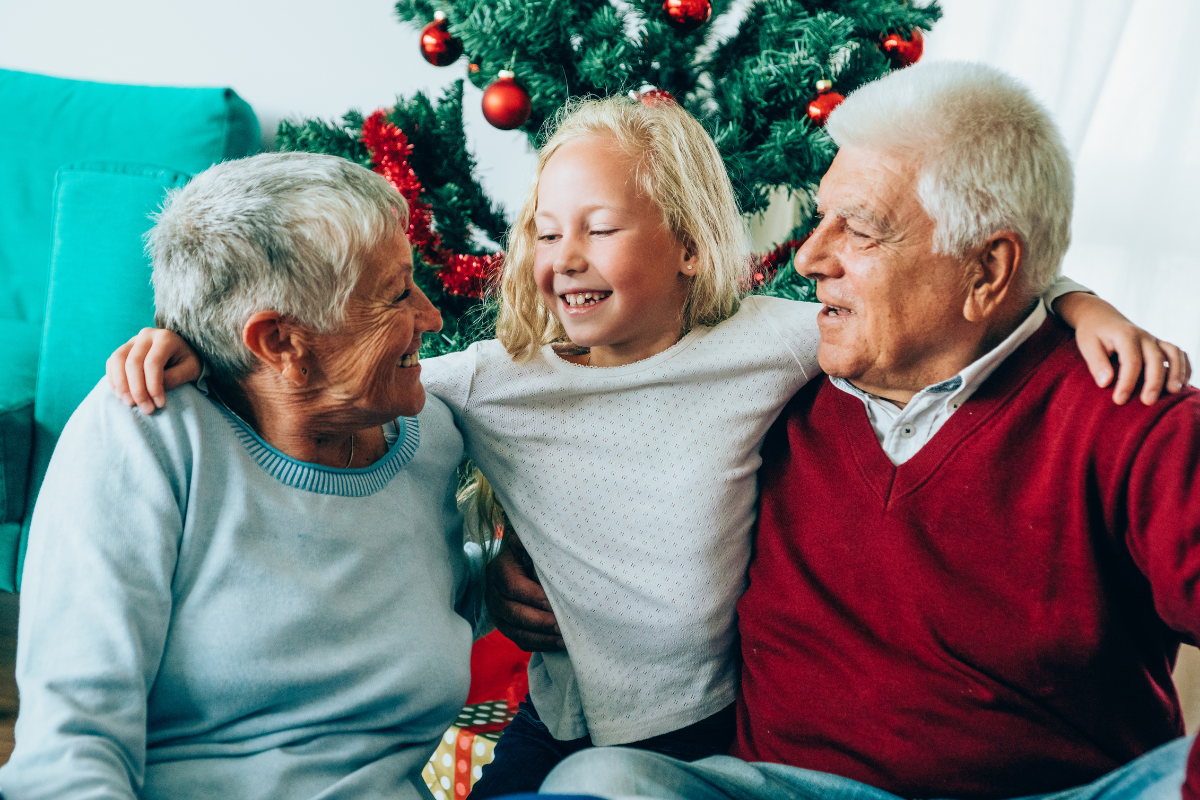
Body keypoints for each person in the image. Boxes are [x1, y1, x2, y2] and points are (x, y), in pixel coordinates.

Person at [105, 96, 1189, 798]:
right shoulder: (493, 380)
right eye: (544, 230)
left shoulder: (775, 349)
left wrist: (1069, 300)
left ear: (682, 237)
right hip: (613, 733)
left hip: (749, 731)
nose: (562, 257)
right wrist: (196, 341)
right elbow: (339, 371)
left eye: (602, 228)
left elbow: (970, 299)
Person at [524, 62, 1200, 800]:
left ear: (988, 271)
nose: (811, 258)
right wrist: (515, 570)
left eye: (862, 231)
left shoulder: (1132, 416)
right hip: (785, 788)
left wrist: (1072, 302)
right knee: (601, 782)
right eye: (821, 219)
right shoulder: (775, 379)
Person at [0, 152, 486, 800]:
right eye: (397, 294)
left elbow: (423, 593)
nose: (433, 317)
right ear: (280, 342)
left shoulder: (435, 438)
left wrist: (501, 577)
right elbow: (68, 755)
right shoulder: (146, 435)